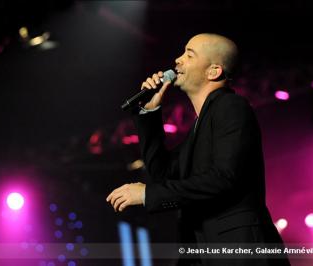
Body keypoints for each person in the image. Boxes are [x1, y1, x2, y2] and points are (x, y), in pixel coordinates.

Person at [106, 33, 290, 266]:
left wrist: (146, 194)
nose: (178, 60)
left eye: (189, 55)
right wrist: (150, 113)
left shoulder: (231, 106)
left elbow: (224, 178)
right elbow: (161, 174)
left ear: (213, 71)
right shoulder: (199, 128)